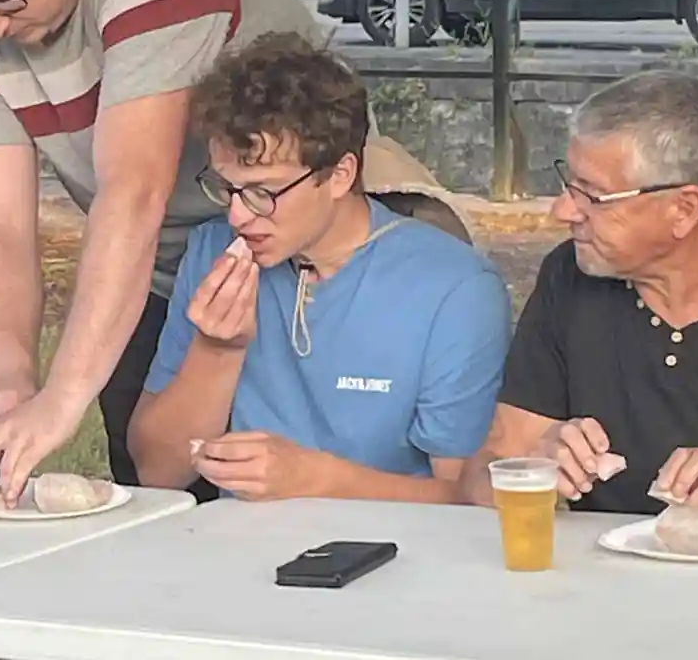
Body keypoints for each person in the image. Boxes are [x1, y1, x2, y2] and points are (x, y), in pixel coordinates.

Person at [0, 0, 327, 507]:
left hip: (296, 257)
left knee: (292, 502)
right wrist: (16, 379)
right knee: (159, 499)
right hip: (159, 268)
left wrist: (63, 398)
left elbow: (134, 192)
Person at [127, 32, 512, 502]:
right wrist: (216, 350)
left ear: (340, 175)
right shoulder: (212, 252)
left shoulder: (454, 289)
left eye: (262, 192)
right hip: (238, 551)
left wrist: (318, 481)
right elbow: (156, 472)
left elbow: (468, 500)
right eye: (226, 188)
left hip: (399, 553)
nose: (238, 216)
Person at [460, 70, 698, 515]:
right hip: (592, 581)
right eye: (570, 186)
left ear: (683, 209)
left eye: (593, 195)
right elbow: (478, 481)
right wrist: (532, 473)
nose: (562, 210)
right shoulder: (569, 277)